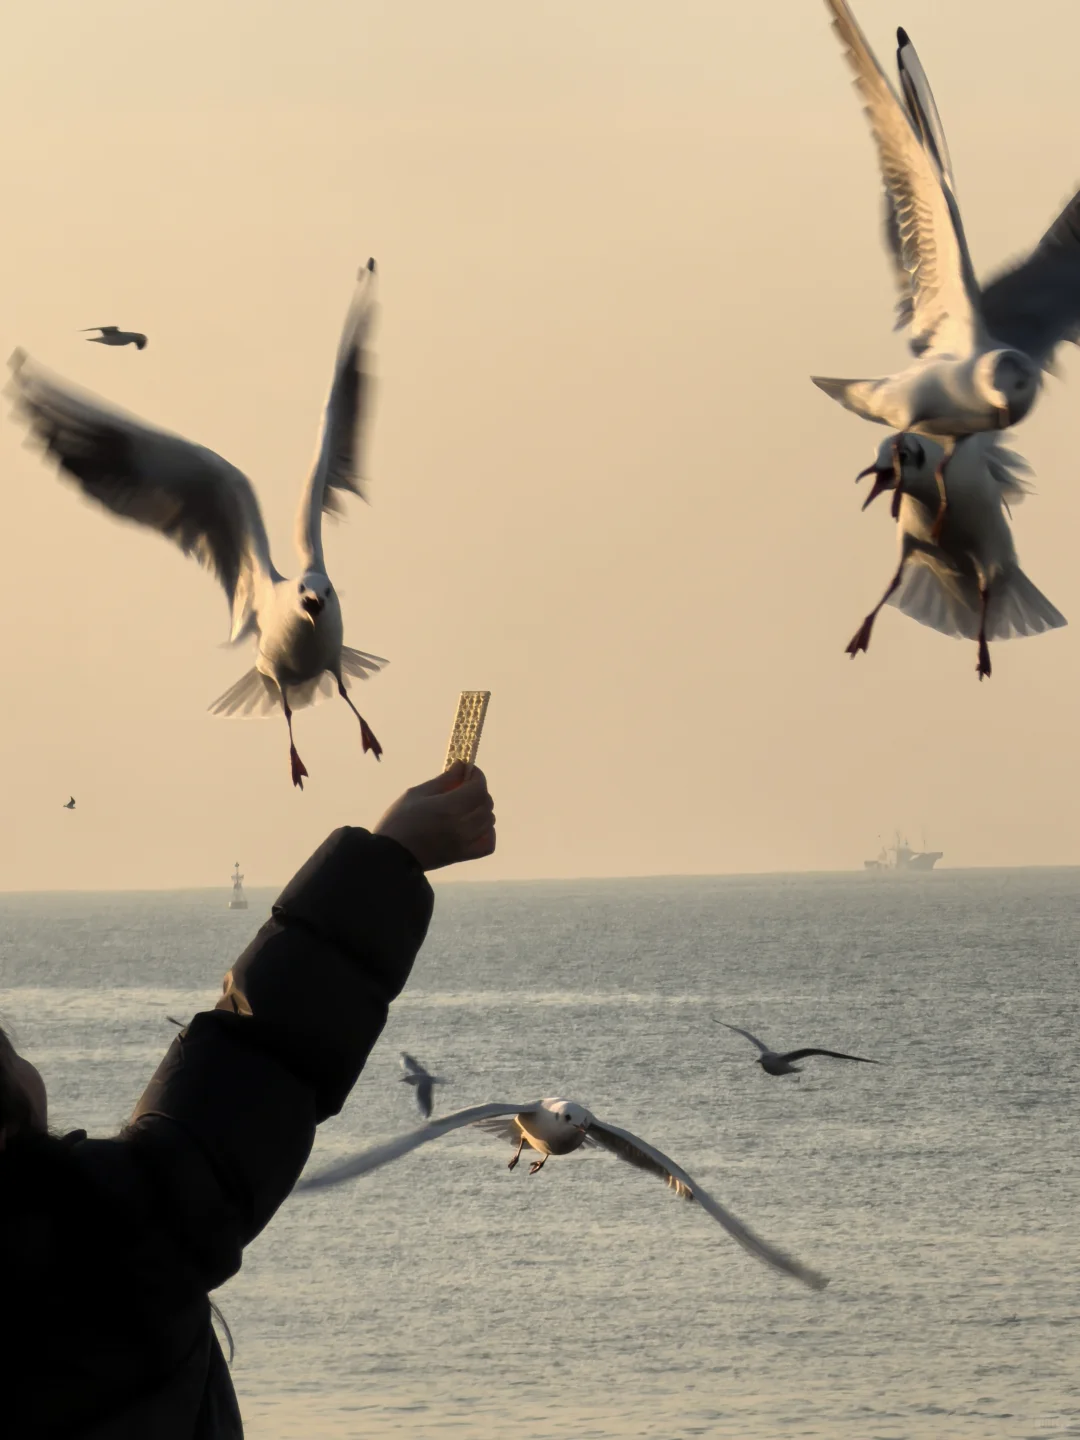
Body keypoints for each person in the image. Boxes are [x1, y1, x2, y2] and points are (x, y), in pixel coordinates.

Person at [0, 762, 495, 1439]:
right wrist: (390, 858)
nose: (27, 1066)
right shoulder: (99, 1240)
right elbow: (256, 1059)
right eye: (10, 1056)